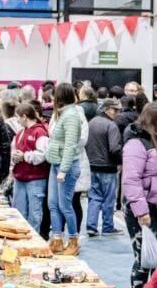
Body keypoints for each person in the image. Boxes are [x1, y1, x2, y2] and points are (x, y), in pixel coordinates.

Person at [122, 102, 157, 288]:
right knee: (144, 259)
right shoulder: (136, 143)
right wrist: (141, 210)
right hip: (144, 209)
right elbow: (131, 178)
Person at [45, 83, 87, 256]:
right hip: (56, 164)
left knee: (65, 205)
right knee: (53, 203)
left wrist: (63, 170)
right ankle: (56, 238)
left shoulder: (71, 116)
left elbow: (70, 145)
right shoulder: (63, 114)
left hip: (66, 167)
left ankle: (73, 241)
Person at [85, 98, 123, 236]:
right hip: (108, 168)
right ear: (106, 109)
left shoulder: (91, 123)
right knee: (108, 199)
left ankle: (91, 226)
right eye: (115, 110)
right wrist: (120, 161)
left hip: (91, 166)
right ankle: (107, 227)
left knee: (94, 197)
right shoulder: (111, 126)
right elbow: (114, 149)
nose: (117, 113)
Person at [9, 102, 49, 231]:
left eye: (18, 117)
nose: (17, 121)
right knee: (18, 214)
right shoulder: (20, 133)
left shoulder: (40, 132)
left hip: (35, 180)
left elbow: (42, 155)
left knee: (34, 215)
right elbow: (14, 151)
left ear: (24, 116)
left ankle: (34, 243)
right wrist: (15, 157)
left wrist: (24, 156)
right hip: (20, 178)